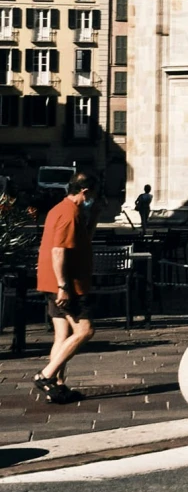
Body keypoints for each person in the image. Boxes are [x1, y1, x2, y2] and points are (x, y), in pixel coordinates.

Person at [33, 172, 96, 406]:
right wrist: (63, 286)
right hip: (69, 283)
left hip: (53, 280)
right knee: (85, 331)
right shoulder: (70, 213)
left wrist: (95, 216)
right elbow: (58, 250)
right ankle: (46, 375)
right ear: (85, 191)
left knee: (63, 334)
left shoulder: (60, 209)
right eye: (94, 194)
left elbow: (81, 242)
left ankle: (57, 388)